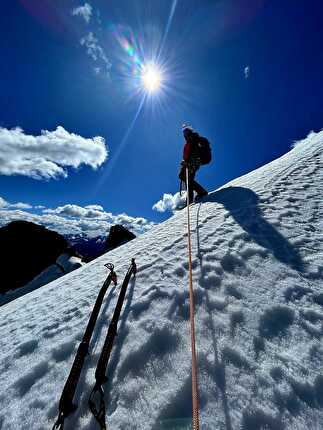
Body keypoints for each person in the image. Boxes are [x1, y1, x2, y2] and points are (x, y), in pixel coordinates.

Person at [179, 124, 208, 205]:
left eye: (185, 131)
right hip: (189, 163)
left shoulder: (193, 139)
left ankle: (197, 195)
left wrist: (189, 161)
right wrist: (184, 161)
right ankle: (195, 196)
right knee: (184, 177)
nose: (184, 134)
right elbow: (187, 154)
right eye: (184, 132)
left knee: (188, 179)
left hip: (192, 163)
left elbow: (195, 152)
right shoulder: (189, 141)